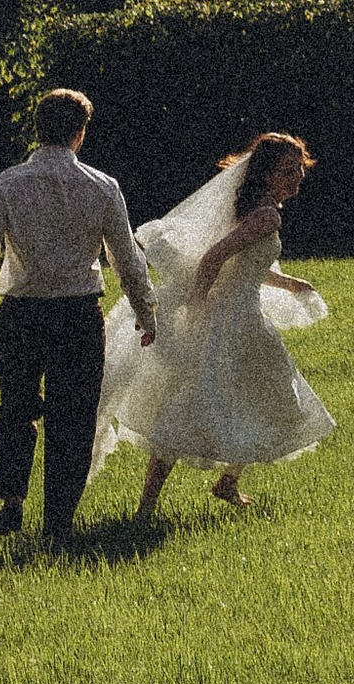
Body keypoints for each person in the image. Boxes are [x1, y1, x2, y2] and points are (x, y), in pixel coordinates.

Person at [0, 89, 157, 539]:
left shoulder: (6, 184)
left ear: (38, 130)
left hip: (21, 313)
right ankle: (57, 522)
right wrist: (145, 311)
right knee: (73, 420)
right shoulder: (102, 187)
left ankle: (12, 501)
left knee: (16, 409)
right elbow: (126, 259)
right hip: (78, 315)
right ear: (80, 133)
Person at [95, 132, 335, 516]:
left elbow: (245, 264)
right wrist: (196, 303)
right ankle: (161, 502)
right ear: (266, 174)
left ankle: (217, 485)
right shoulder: (266, 215)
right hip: (238, 319)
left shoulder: (254, 209)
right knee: (261, 401)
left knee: (252, 399)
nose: (298, 178)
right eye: (288, 171)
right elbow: (213, 258)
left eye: (299, 169)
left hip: (241, 316)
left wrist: (289, 283)